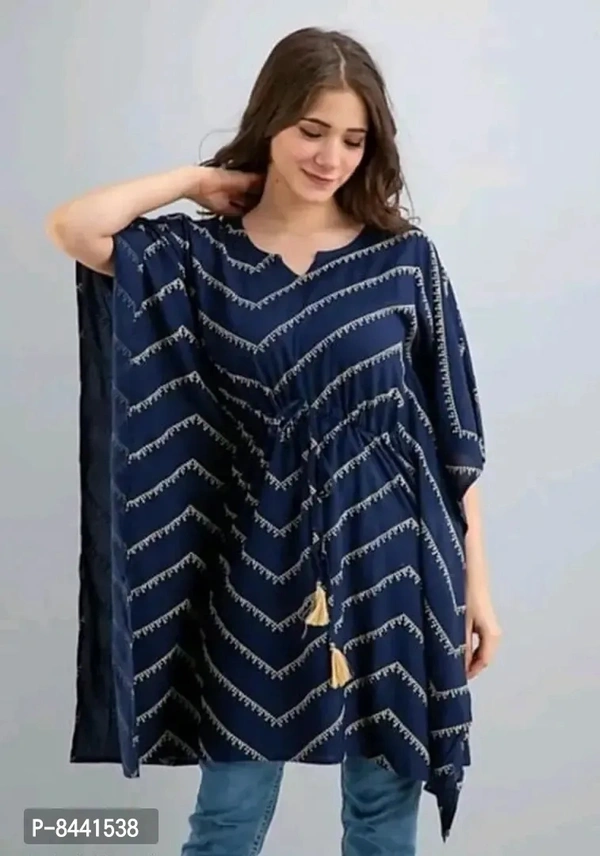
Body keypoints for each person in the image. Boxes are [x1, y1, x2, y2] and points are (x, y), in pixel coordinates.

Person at [46, 25, 501, 856]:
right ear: (272, 123)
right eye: (312, 130)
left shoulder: (403, 261)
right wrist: (195, 182)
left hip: (398, 558)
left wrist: (478, 588)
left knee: (381, 819)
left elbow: (452, 437)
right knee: (226, 821)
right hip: (255, 564)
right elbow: (78, 228)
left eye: (353, 140)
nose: (331, 158)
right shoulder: (200, 258)